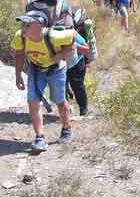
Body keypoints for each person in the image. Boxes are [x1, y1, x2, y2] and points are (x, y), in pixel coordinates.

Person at [12, 10, 89, 152]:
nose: (23, 28)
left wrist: (61, 55)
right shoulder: (20, 37)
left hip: (56, 70)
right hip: (36, 69)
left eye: (28, 25)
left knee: (59, 101)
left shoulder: (54, 35)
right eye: (23, 24)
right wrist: (18, 76)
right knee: (32, 101)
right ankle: (40, 137)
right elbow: (19, 54)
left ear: (40, 26)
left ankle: (66, 128)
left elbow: (72, 36)